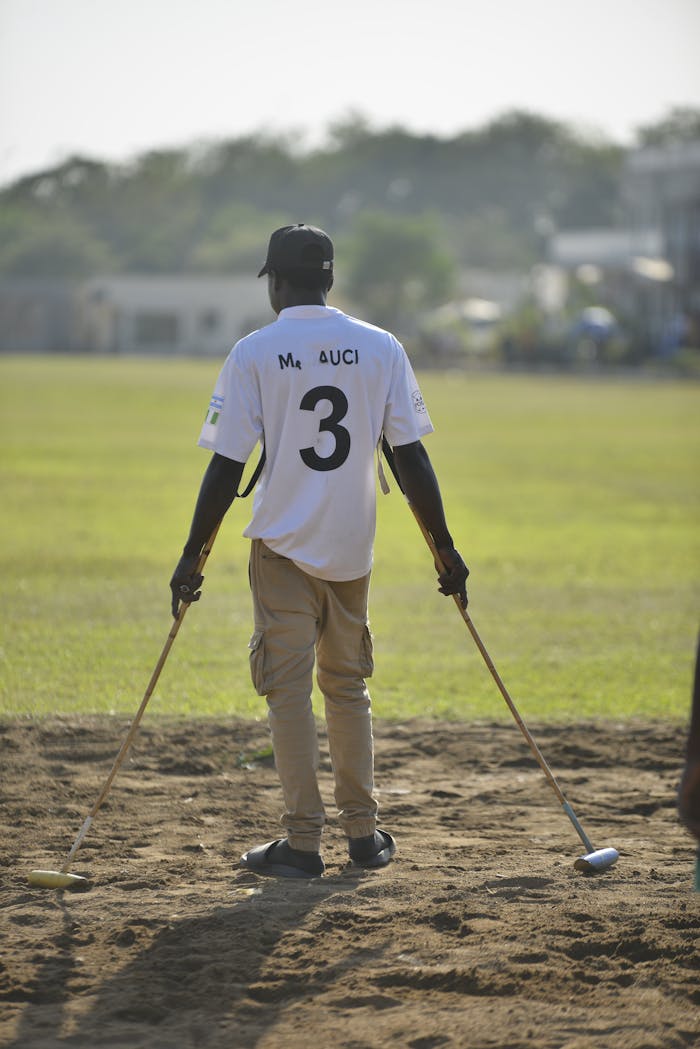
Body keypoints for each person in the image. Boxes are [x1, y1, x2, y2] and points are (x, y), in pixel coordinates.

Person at [170, 223, 468, 879]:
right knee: (347, 686)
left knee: (288, 694)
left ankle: (303, 843)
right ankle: (363, 834)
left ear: (275, 283)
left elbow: (226, 468)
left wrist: (192, 556)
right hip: (351, 550)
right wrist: (443, 549)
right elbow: (410, 455)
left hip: (280, 547)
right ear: (329, 278)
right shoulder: (380, 345)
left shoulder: (253, 351)